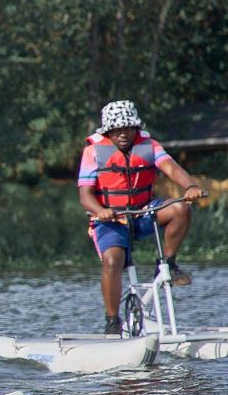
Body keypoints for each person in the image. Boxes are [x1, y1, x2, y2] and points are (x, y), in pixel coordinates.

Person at [77, 100, 203, 335]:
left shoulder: (150, 146)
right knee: (113, 262)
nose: (122, 134)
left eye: (127, 128)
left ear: (136, 128)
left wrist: (190, 186)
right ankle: (113, 322)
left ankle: (168, 264)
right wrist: (100, 210)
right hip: (110, 219)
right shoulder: (92, 152)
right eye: (116, 129)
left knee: (181, 208)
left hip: (143, 212)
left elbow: (172, 169)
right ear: (108, 131)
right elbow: (85, 196)